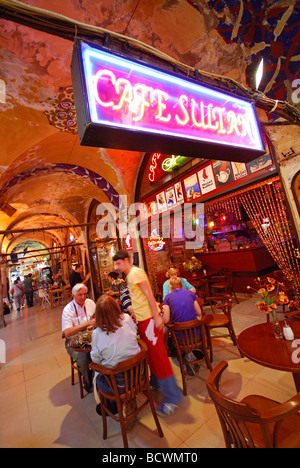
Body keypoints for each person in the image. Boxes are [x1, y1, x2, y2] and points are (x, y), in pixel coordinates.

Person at [113, 250, 183, 416]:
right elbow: (139, 299)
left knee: (159, 358)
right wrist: (136, 313)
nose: (116, 266)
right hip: (143, 321)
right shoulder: (130, 275)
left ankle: (173, 397)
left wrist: (157, 318)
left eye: (118, 263)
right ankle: (157, 383)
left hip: (149, 321)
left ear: (125, 260)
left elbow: (149, 295)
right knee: (152, 356)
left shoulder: (136, 273)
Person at [90, 294, 140, 414]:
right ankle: (129, 398)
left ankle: (113, 404)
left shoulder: (97, 333)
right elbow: (134, 333)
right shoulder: (127, 319)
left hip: (117, 385)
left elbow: (95, 360)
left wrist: (95, 347)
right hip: (139, 375)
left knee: (94, 371)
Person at [163, 277, 203, 376]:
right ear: (181, 285)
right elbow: (199, 312)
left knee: (171, 335)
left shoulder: (168, 297)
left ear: (170, 286)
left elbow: (166, 320)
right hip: (197, 336)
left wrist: (164, 312)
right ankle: (191, 355)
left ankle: (187, 356)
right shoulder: (190, 293)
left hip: (181, 340)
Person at [62, 283, 96, 392]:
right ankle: (87, 380)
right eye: (80, 295)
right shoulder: (68, 310)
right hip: (73, 341)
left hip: (91, 336)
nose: (83, 297)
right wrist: (86, 324)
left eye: (85, 294)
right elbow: (67, 333)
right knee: (83, 357)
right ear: (73, 295)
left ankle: (101, 376)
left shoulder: (90, 303)